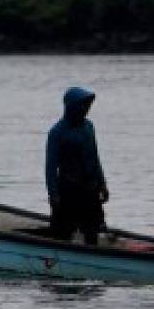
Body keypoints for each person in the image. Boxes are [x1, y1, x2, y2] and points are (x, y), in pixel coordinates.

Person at [46, 86, 109, 245]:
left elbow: (95, 157)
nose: (86, 109)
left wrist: (102, 184)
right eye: (83, 105)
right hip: (68, 190)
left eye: (88, 105)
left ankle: (93, 258)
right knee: (62, 232)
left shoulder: (89, 127)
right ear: (71, 106)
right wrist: (53, 194)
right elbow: (50, 168)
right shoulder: (57, 132)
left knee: (92, 230)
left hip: (90, 189)